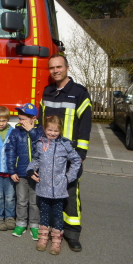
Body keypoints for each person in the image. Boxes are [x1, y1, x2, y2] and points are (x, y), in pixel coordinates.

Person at [39, 54, 92, 252]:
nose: (55, 71)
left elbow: (85, 126)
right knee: (48, 194)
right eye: (52, 68)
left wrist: (80, 154)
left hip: (69, 156)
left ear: (67, 68)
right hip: (48, 154)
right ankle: (53, 231)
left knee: (70, 193)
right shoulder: (47, 92)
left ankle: (72, 234)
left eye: (59, 67)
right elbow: (42, 123)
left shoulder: (79, 93)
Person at [27, 115, 82, 255]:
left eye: (56, 131)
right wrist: (30, 169)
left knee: (58, 214)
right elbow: (36, 159)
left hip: (59, 187)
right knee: (44, 212)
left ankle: (56, 240)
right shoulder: (40, 143)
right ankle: (43, 237)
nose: (52, 133)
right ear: (44, 129)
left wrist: (68, 177)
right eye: (49, 130)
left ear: (60, 131)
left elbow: (76, 161)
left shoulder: (65, 145)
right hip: (43, 186)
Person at [5, 103, 43, 240]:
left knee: (34, 201)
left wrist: (31, 131)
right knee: (21, 200)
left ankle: (34, 224)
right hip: (20, 172)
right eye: (19, 119)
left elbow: (42, 145)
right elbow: (10, 152)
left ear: (33, 118)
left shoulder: (40, 131)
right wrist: (12, 171)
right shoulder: (16, 132)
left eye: (23, 119)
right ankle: (21, 223)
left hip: (36, 173)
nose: (20, 122)